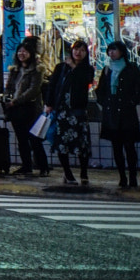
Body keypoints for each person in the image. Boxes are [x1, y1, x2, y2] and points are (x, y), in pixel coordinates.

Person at [95, 40, 140, 189]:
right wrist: (104, 103)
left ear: (122, 51)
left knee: (129, 146)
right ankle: (122, 177)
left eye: (114, 50)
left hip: (127, 113)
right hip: (111, 113)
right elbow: (100, 90)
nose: (111, 53)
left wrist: (132, 102)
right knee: (116, 147)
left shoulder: (131, 68)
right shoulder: (107, 69)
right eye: (110, 50)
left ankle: (132, 176)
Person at [45, 38, 96, 186]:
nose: (78, 52)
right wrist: (49, 103)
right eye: (75, 49)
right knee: (62, 144)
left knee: (83, 145)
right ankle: (67, 173)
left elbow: (83, 82)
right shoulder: (61, 67)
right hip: (62, 111)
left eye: (81, 50)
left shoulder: (87, 69)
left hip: (78, 111)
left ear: (86, 53)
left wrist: (74, 67)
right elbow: (52, 86)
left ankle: (84, 173)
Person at [4, 38, 47, 177]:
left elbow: (33, 90)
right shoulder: (15, 70)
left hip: (31, 108)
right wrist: (7, 98)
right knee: (21, 139)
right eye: (20, 51)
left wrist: (15, 101)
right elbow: (9, 87)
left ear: (31, 53)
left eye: (25, 51)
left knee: (34, 139)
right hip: (16, 109)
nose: (21, 54)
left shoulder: (37, 69)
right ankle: (26, 166)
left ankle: (43, 166)